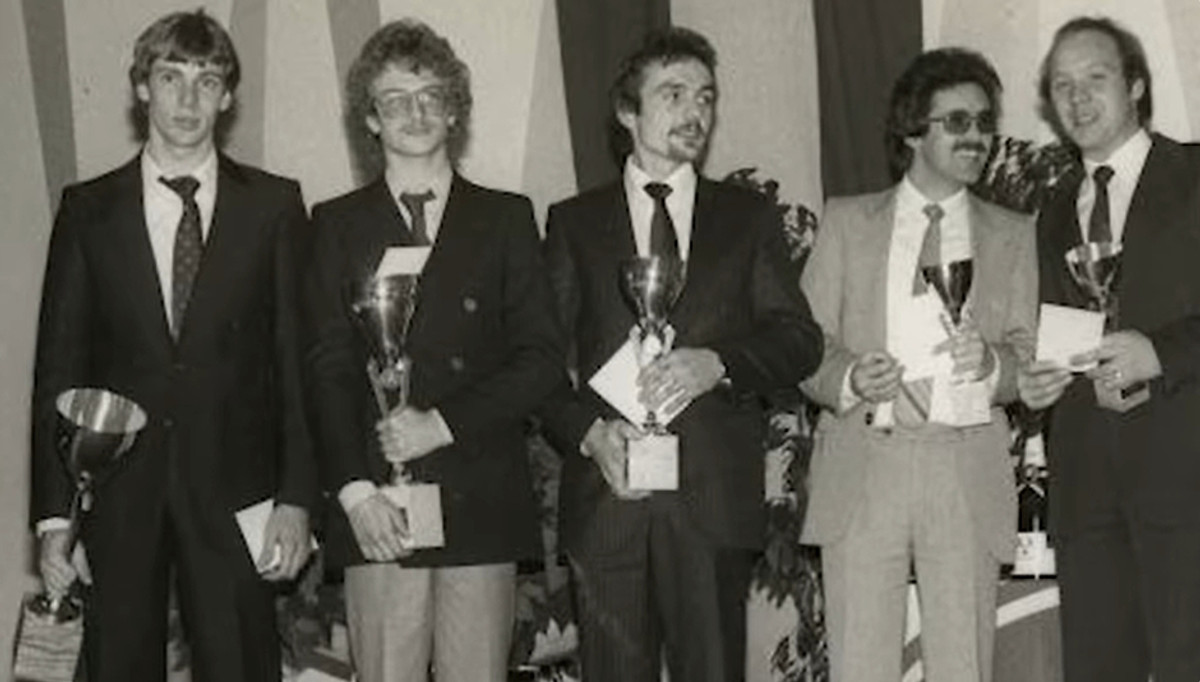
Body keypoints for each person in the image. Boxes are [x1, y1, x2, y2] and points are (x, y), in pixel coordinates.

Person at [30, 10, 316, 682]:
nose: (188, 99)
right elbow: (57, 372)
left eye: (207, 80)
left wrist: (298, 497)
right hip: (116, 493)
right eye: (171, 77)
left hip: (240, 492)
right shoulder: (87, 210)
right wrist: (52, 521)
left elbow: (295, 364)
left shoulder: (274, 207)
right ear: (141, 88)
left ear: (228, 97)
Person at [539, 26, 823, 682]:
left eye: (706, 96)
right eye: (673, 94)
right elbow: (537, 364)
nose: (695, 111)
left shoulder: (748, 218)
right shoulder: (574, 223)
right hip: (609, 498)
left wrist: (718, 363)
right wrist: (590, 435)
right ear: (627, 112)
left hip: (711, 504)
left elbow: (799, 340)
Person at [304, 19, 564, 682]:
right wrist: (354, 494)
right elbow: (326, 370)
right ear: (369, 119)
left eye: (430, 97)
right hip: (377, 508)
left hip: (479, 494)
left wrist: (441, 424)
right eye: (394, 100)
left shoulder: (506, 217)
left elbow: (540, 359)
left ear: (454, 110)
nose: (415, 113)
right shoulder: (334, 224)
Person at [800, 48, 1036, 682]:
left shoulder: (1013, 233)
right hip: (865, 465)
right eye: (957, 121)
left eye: (984, 122)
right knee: (860, 667)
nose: (976, 136)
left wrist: (992, 366)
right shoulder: (847, 222)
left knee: (964, 667)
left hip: (963, 466)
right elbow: (804, 343)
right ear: (911, 132)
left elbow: (1028, 356)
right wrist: (849, 375)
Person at [1018, 16, 1200, 682]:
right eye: (1062, 85)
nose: (1078, 97)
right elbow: (1063, 330)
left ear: (1137, 86)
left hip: (1186, 473)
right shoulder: (1054, 208)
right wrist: (1039, 385)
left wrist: (1163, 353)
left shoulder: (1193, 174)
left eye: (1095, 78)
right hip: (1087, 484)